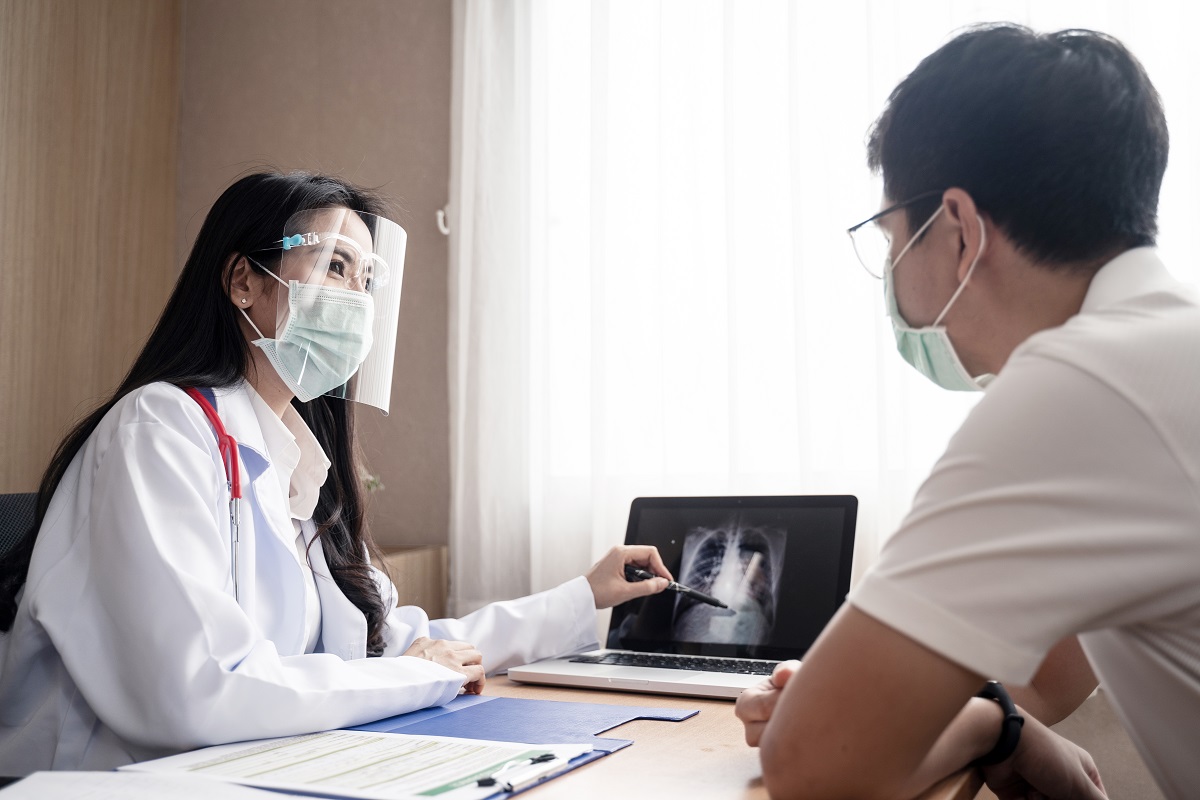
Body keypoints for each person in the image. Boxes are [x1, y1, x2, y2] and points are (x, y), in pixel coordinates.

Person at [0, 171, 673, 774]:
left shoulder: (296, 466)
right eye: (335, 267)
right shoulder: (159, 429)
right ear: (243, 282)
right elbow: (197, 688)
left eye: (367, 279)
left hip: (254, 768)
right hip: (107, 779)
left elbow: (401, 645)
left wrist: (583, 596)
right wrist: (410, 677)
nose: (357, 300)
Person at [735, 24, 1198, 800]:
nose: (890, 275)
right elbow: (1047, 680)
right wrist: (1006, 724)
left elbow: (813, 766)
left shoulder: (1084, 385)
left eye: (889, 237)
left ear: (956, 228)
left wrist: (988, 725)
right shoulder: (1158, 358)